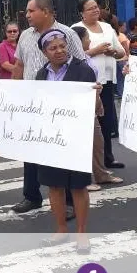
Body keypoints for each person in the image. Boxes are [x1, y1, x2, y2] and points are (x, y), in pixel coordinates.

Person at [10, 0, 96, 216]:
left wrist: (90, 93)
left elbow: (82, 63)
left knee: (62, 153)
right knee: (32, 149)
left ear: (45, 12)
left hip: (64, 109)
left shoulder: (67, 34)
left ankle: (68, 202)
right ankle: (31, 196)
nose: (27, 15)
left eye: (31, 11)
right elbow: (19, 65)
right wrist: (14, 96)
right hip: (34, 105)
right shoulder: (25, 36)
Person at [35, 29, 98, 253]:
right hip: (50, 137)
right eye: (53, 48)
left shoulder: (83, 71)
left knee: (78, 185)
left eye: (62, 46)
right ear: (45, 52)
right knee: (55, 185)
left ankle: (82, 233)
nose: (59, 51)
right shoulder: (41, 75)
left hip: (76, 137)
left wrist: (96, 95)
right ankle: (61, 229)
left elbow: (96, 108)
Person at [72, 0, 125, 168]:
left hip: (107, 79)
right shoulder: (76, 29)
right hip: (88, 81)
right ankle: (90, 160)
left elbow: (122, 52)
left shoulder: (107, 27)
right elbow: (73, 56)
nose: (95, 10)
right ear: (82, 12)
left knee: (106, 119)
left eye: (96, 7)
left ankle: (108, 157)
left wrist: (112, 51)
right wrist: (95, 51)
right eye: (90, 8)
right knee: (90, 122)